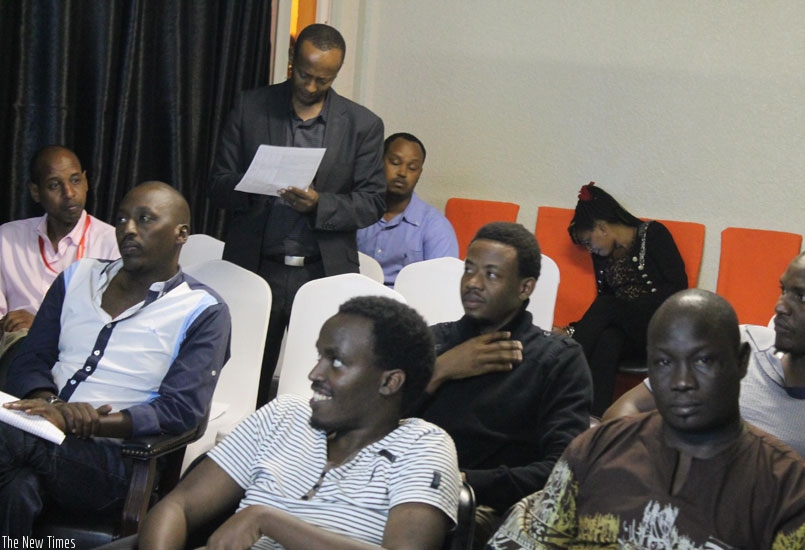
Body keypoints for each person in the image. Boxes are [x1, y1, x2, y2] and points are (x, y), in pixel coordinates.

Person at [488, 289, 805, 549]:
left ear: (741, 363)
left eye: (703, 361)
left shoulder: (792, 490)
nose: (681, 382)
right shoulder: (595, 450)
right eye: (664, 363)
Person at [0, 181, 231, 536]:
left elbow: (181, 411)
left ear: (181, 233)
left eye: (145, 219)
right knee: (17, 488)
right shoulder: (78, 276)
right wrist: (51, 403)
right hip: (39, 432)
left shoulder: (203, 310)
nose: (128, 229)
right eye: (122, 219)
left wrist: (87, 423)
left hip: (114, 461)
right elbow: (31, 358)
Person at [138, 296, 460, 549]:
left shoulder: (423, 445)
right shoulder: (285, 415)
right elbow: (178, 506)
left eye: (335, 362)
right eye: (319, 356)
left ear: (389, 382)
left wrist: (268, 521)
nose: (314, 374)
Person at [209, 23, 385, 407]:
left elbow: (373, 201)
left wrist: (320, 204)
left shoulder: (362, 125)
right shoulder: (250, 106)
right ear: (292, 62)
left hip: (321, 272)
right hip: (255, 268)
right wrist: (256, 183)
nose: (310, 86)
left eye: (323, 80)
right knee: (242, 382)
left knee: (318, 387)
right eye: (305, 75)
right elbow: (217, 184)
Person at [413, 222, 592, 547]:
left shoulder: (557, 360)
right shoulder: (432, 341)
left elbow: (562, 469)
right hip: (406, 485)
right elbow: (378, 423)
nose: (473, 283)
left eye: (491, 275)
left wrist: (464, 481)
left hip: (487, 505)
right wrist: (440, 370)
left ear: (525, 288)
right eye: (469, 270)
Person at [604, 245, 805, 474]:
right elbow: (626, 408)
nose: (780, 306)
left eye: (802, 297)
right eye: (783, 290)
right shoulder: (738, 344)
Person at [553, 182, 687, 416]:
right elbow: (605, 308)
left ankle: (558, 371)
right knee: (608, 339)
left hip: (662, 327)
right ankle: (594, 420)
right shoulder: (604, 256)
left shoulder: (653, 234)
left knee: (608, 306)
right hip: (629, 336)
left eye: (588, 242)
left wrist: (575, 332)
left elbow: (677, 290)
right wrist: (574, 329)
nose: (590, 249)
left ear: (603, 228)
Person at [0, 145, 119, 335]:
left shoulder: (111, 243)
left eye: (75, 180)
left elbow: (110, 325)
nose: (69, 193)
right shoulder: (7, 238)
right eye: (54, 185)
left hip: (76, 355)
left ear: (86, 182)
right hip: (14, 350)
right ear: (35, 192)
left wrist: (40, 327)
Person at [357, 132, 458, 287]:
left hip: (407, 308)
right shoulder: (356, 212)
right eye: (395, 162)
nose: (402, 173)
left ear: (419, 173)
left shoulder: (435, 226)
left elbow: (443, 286)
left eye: (412, 167)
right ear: (378, 162)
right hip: (353, 302)